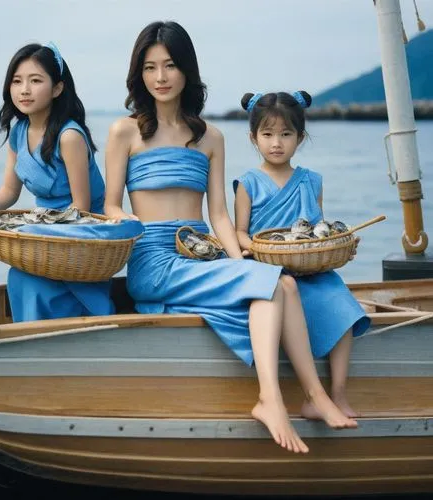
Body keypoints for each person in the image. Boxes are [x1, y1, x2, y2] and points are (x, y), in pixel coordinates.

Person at [104, 21, 357, 454]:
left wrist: (239, 257)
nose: (160, 77)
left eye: (169, 66)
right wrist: (127, 225)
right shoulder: (124, 132)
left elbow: (219, 213)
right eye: (150, 67)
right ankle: (271, 400)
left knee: (285, 284)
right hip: (153, 257)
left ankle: (316, 397)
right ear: (139, 74)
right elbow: (111, 205)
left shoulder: (210, 136)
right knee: (274, 285)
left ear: (186, 70)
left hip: (203, 250)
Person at [233, 90, 371, 418]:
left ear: (300, 137)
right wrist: (256, 247)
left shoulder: (311, 181)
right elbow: (239, 231)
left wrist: (338, 243)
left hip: (311, 269)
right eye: (267, 134)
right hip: (272, 271)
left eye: (286, 134)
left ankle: (337, 392)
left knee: (343, 303)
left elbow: (317, 226)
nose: (276, 143)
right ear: (254, 138)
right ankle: (314, 394)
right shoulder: (248, 182)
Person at [0, 42, 114, 321]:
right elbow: (9, 191)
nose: (24, 89)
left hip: (80, 242)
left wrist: (35, 230)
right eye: (17, 81)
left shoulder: (69, 136)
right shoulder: (19, 131)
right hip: (45, 234)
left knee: (30, 281)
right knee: (19, 277)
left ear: (57, 88)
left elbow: (81, 208)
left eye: (35, 80)